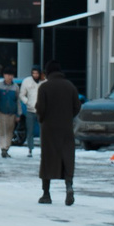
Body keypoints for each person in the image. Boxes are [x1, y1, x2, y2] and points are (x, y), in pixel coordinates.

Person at [34, 64, 81, 204]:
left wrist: (42, 119)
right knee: (67, 156)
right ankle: (69, 186)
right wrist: (68, 117)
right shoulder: (70, 86)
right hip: (66, 128)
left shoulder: (44, 87)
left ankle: (46, 194)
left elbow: (40, 108)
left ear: (48, 72)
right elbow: (77, 106)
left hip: (48, 129)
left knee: (48, 159)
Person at [0, 62, 23, 156]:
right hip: (1, 112)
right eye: (8, 75)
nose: (10, 77)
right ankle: (3, 148)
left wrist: (18, 114)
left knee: (9, 132)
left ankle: (6, 148)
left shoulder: (15, 87)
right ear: (4, 75)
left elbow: (18, 101)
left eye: (11, 75)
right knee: (1, 131)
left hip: (12, 113)